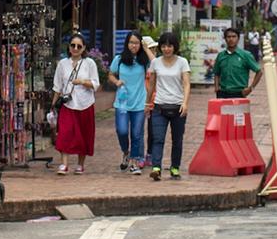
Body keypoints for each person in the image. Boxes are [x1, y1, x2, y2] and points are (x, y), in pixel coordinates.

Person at [147, 31, 193, 179]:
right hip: (159, 106)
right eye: (164, 46)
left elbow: (186, 84)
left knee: (177, 139)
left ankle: (175, 167)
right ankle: (156, 167)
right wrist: (148, 103)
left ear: (175, 47)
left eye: (170, 46)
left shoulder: (182, 62)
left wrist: (185, 103)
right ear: (160, 47)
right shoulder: (155, 62)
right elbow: (152, 84)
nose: (167, 49)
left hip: (178, 106)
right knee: (158, 138)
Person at [52, 34, 100, 174]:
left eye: (79, 46)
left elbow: (95, 84)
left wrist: (83, 82)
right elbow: (57, 86)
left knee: (84, 134)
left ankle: (80, 164)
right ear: (69, 46)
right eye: (73, 45)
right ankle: (64, 164)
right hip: (68, 103)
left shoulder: (89, 63)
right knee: (65, 133)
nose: (75, 48)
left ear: (83, 48)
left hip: (85, 103)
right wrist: (53, 105)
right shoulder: (62, 64)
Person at [108, 34, 153, 171]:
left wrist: (146, 48)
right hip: (122, 103)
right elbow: (110, 74)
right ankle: (126, 153)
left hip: (139, 102)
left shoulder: (144, 60)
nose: (134, 45)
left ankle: (134, 161)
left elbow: (156, 62)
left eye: (137, 43)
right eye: (131, 42)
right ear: (127, 43)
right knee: (121, 131)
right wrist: (116, 81)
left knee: (136, 133)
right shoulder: (119, 59)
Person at [213, 27, 262, 99]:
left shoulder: (245, 55)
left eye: (234, 36)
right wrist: (217, 87)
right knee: (223, 111)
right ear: (225, 39)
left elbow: (259, 71)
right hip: (222, 93)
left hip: (239, 93)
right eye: (228, 37)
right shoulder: (221, 56)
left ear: (238, 39)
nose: (231, 39)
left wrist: (250, 88)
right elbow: (216, 73)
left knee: (238, 110)